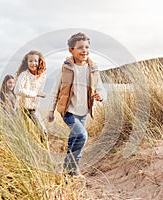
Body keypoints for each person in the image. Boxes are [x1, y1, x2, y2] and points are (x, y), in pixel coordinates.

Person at [47, 32, 107, 176]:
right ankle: (71, 169)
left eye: (86, 47)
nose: (84, 50)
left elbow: (101, 88)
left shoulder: (93, 69)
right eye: (80, 47)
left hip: (84, 112)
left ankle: (69, 171)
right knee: (82, 135)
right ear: (71, 50)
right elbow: (55, 91)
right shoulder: (65, 70)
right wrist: (50, 110)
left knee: (75, 140)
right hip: (68, 111)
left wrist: (101, 96)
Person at [14, 50, 47, 141]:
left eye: (35, 61)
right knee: (24, 134)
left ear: (39, 61)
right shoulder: (23, 75)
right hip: (21, 108)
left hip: (33, 108)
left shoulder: (42, 76)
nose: (33, 63)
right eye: (30, 61)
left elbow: (39, 93)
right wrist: (35, 94)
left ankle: (44, 152)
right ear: (27, 63)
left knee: (43, 132)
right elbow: (17, 90)